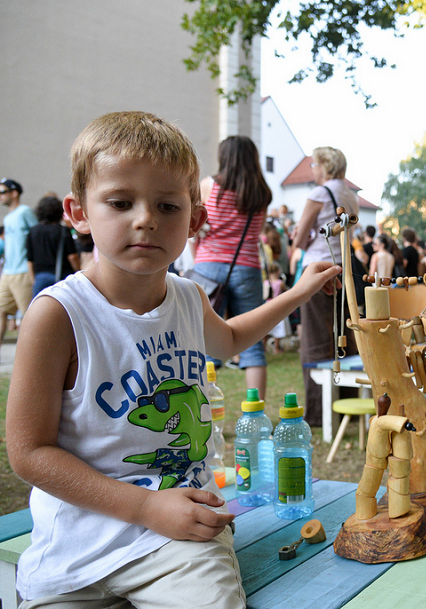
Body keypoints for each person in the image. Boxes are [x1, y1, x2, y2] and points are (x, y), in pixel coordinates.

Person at [4, 111, 342, 607]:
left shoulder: (187, 297)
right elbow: (28, 453)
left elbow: (227, 340)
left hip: (180, 537)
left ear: (196, 220)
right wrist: (143, 506)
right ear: (78, 212)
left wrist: (297, 292)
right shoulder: (57, 315)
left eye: (167, 205)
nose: (146, 219)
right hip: (76, 548)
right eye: (120, 202)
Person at [193, 136, 271, 397]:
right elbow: (257, 232)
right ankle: (255, 411)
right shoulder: (261, 193)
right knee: (253, 342)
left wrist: (198, 257)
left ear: (223, 156)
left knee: (203, 340)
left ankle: (203, 409)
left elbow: (197, 227)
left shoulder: (210, 185)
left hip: (209, 264)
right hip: (247, 266)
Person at [290, 146, 360, 427]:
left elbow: (300, 239)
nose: (313, 171)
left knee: (316, 340)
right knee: (344, 336)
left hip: (318, 269)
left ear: (325, 166)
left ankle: (319, 411)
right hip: (345, 268)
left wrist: (298, 237)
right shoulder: (350, 195)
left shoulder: (319, 194)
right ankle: (349, 401)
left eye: (315, 165)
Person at [0, 178, 38, 344]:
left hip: (22, 271)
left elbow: (36, 236)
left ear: (14, 193)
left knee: (28, 315)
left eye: (2, 192)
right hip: (7, 272)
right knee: (1, 310)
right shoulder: (8, 218)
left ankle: (28, 358)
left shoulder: (25, 212)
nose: (0, 196)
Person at [26, 195, 80, 297]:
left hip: (40, 277)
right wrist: (78, 272)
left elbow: (29, 259)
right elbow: (72, 256)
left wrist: (33, 280)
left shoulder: (33, 231)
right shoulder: (63, 230)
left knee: (40, 310)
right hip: (62, 276)